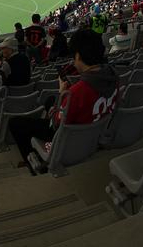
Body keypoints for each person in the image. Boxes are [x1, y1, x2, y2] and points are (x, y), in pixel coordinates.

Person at [9, 29, 119, 174]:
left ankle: (34, 162)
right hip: (94, 130)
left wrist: (62, 93)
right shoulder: (114, 77)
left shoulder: (75, 92)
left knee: (15, 123)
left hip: (70, 138)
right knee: (50, 100)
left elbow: (56, 124)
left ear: (78, 55)